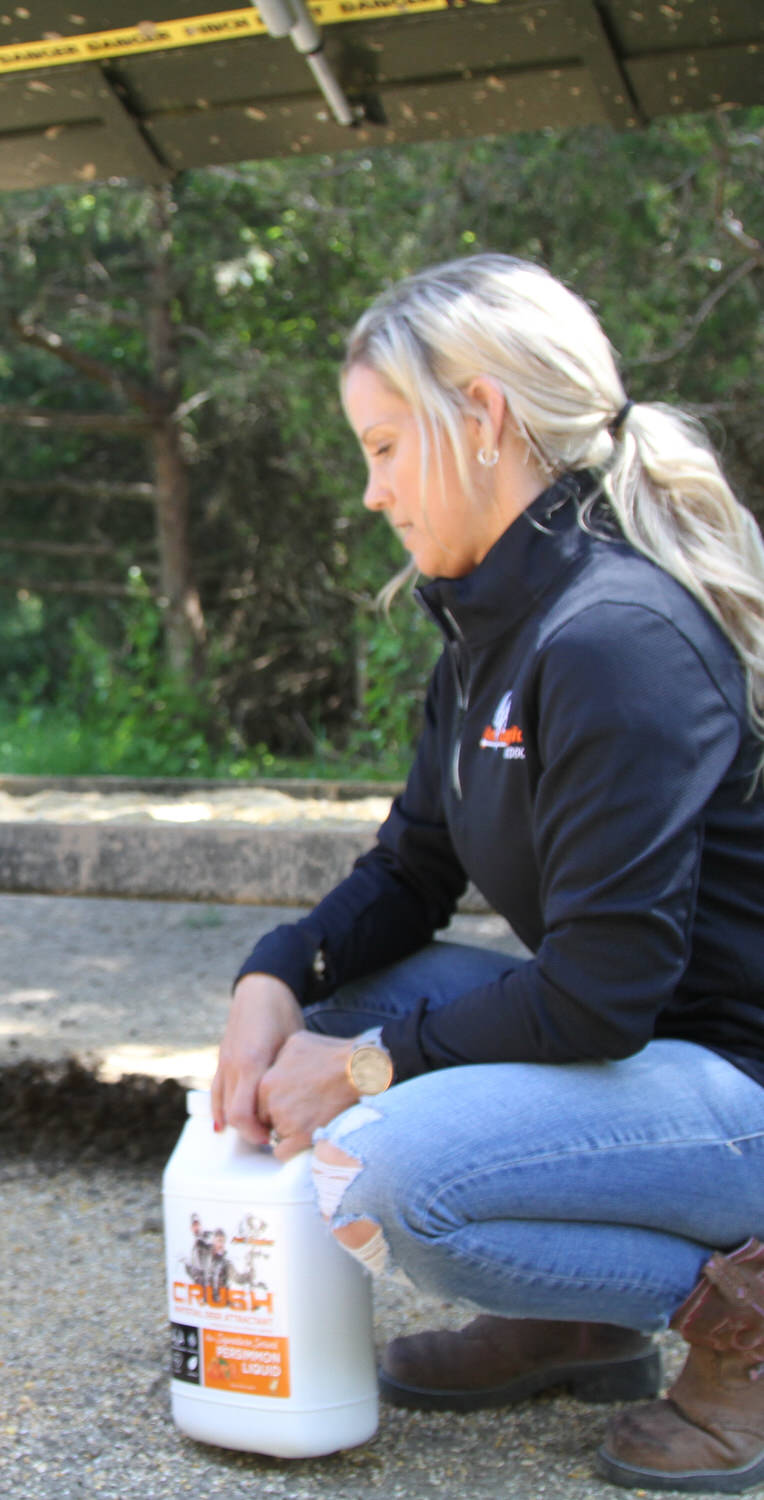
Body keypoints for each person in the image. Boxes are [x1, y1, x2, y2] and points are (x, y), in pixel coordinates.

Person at [211, 254, 764, 1493]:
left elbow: (606, 991)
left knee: (391, 1171)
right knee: (333, 1003)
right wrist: (272, 979)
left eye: (387, 446)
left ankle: (749, 1313)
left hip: (737, 1087)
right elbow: (410, 871)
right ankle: (575, 1325)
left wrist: (363, 1070)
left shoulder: (617, 635)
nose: (371, 493)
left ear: (484, 418)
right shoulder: (487, 636)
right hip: (641, 1065)